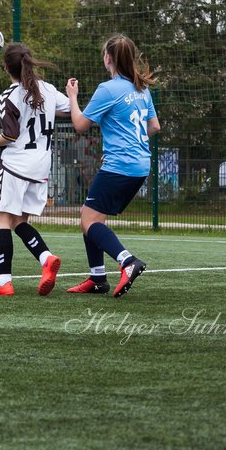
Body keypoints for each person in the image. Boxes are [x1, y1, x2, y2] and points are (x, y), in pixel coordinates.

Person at [64, 34, 159, 298]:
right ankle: (97, 278)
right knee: (90, 215)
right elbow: (154, 127)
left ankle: (128, 262)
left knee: (88, 219)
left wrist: (72, 97)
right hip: (140, 165)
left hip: (120, 166)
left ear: (109, 58)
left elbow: (80, 125)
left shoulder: (108, 89)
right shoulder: (142, 89)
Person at [0, 43, 68, 296]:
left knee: (3, 218)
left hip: (16, 165)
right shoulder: (48, 89)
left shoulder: (10, 95)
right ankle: (46, 258)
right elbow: (68, 109)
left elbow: (10, 135)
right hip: (41, 167)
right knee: (19, 221)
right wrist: (72, 94)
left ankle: (3, 282)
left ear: (6, 67)